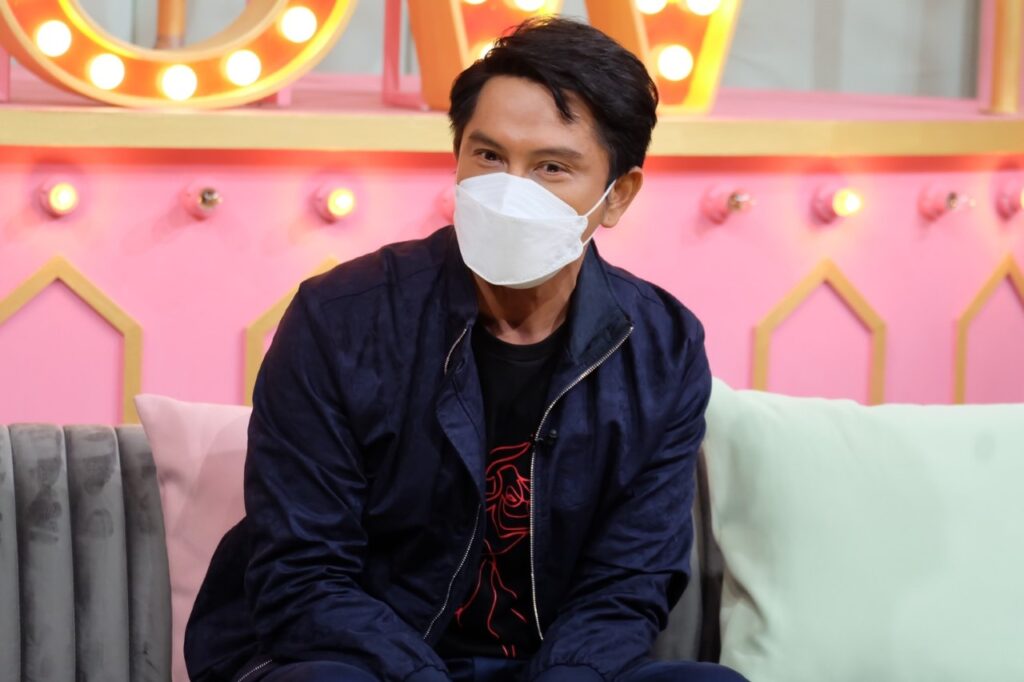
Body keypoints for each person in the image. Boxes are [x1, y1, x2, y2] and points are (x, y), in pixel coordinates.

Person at [184, 16, 747, 682]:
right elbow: (303, 575)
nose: (510, 192)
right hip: (358, 662)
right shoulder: (340, 319)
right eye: (488, 157)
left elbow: (628, 584)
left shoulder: (662, 346)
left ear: (616, 195)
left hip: (546, 668)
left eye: (551, 168)